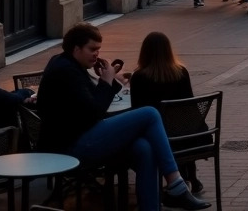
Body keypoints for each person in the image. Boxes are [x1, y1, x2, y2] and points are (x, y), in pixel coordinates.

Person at [37, 23, 209, 211]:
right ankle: (176, 184)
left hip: (80, 135)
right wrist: (106, 81)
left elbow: (88, 105)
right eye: (92, 49)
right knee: (150, 113)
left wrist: (110, 81)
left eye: (98, 49)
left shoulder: (68, 64)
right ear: (76, 48)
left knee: (145, 148)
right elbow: (95, 112)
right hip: (70, 146)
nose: (96, 54)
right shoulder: (66, 71)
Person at [129, 32, 202, 194]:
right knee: (180, 126)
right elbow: (189, 104)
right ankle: (191, 178)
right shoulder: (181, 72)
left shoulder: (140, 77)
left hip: (158, 136)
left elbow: (137, 111)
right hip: (186, 135)